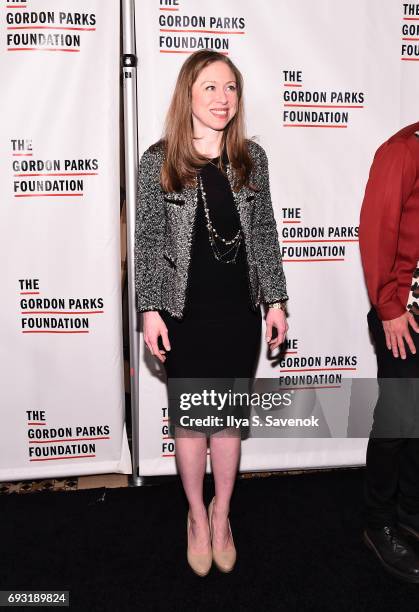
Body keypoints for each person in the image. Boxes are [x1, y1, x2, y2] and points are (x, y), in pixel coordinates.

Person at [135, 50, 288, 576]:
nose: (223, 99)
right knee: (191, 422)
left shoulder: (252, 160)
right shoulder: (158, 160)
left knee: (225, 423)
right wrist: (150, 310)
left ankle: (223, 515)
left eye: (231, 88)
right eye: (211, 88)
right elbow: (150, 242)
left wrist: (276, 300)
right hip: (183, 314)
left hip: (238, 313)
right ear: (189, 95)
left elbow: (265, 234)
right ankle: (196, 518)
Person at [359, 121, 419, 582]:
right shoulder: (401, 150)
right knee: (398, 420)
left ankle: (411, 514)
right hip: (405, 314)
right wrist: (388, 306)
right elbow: (377, 229)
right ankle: (379, 523)